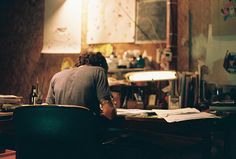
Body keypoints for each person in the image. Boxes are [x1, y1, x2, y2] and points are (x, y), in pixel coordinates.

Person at [46, 51, 117, 120]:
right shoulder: (99, 71)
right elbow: (109, 113)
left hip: (60, 130)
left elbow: (48, 111)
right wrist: (112, 105)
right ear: (102, 66)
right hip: (87, 129)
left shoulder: (56, 76)